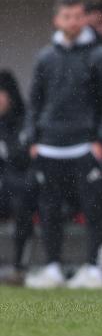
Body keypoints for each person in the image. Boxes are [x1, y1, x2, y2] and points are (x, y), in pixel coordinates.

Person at [22, 0, 102, 289]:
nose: (73, 22)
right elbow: (34, 101)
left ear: (84, 19)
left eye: (78, 16)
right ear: (57, 20)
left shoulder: (99, 55)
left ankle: (94, 269)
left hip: (85, 145)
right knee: (49, 210)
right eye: (67, 16)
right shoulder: (45, 57)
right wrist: (33, 138)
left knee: (94, 209)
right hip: (50, 146)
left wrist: (100, 139)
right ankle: (52, 268)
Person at [0, 70, 33, 285]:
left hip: (23, 188)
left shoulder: (25, 118)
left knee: (22, 200)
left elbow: (22, 156)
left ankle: (19, 268)